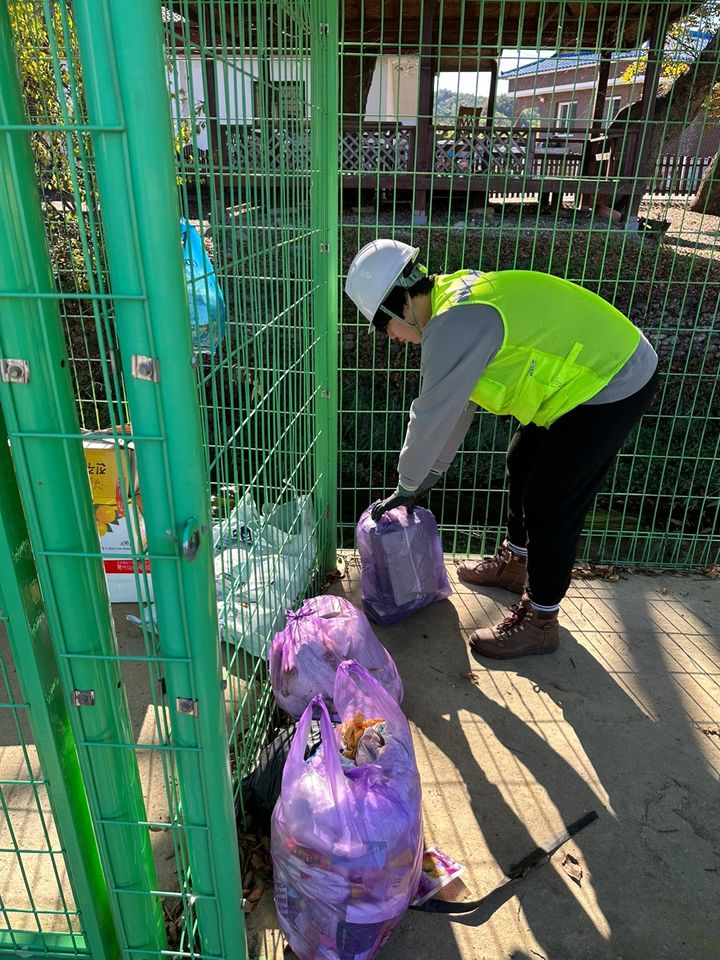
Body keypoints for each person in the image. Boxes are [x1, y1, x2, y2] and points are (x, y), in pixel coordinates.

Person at [345, 239, 658, 660]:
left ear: (395, 306)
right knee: (522, 459)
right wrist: (428, 475)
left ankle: (541, 619)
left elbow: (432, 413)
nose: (394, 340)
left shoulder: (451, 326)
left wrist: (407, 484)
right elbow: (458, 403)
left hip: (614, 378)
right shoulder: (452, 297)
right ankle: (517, 562)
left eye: (385, 330)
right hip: (588, 376)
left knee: (550, 498)